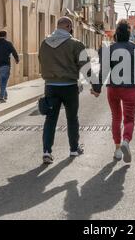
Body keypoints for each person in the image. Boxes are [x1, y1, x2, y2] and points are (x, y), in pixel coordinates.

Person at [91, 20, 135, 163]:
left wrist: (96, 89)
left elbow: (104, 71)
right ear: (129, 33)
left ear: (116, 34)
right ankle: (126, 140)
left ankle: (117, 149)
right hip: (130, 88)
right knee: (129, 118)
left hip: (113, 88)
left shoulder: (109, 49)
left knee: (116, 117)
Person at [39, 17, 88, 164]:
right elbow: (85, 66)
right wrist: (96, 86)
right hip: (69, 86)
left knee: (50, 119)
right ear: (68, 26)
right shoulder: (76, 44)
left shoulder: (45, 43)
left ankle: (47, 151)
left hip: (51, 86)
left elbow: (41, 60)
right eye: (71, 28)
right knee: (72, 118)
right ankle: (74, 148)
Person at [0, 31, 19, 103]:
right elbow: (14, 52)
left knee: (1, 81)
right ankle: (1, 97)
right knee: (4, 81)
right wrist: (17, 59)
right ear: (5, 36)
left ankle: (5, 94)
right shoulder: (8, 44)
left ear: (0, 35)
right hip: (6, 65)